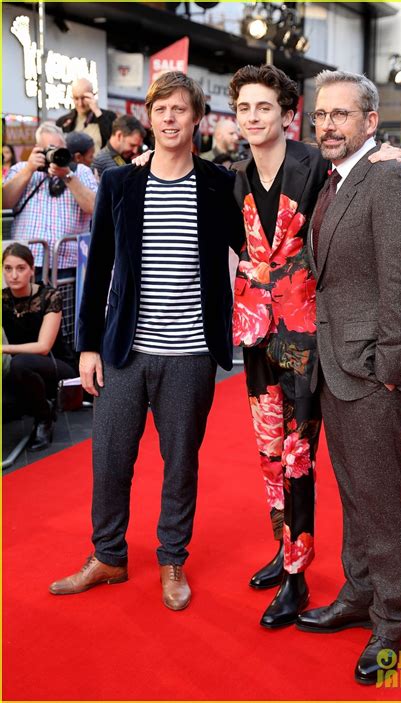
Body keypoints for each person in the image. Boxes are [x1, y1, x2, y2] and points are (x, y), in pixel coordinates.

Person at [48, 72, 245, 611]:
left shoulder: (217, 183)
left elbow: (253, 242)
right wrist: (87, 346)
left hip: (191, 353)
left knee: (180, 461)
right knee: (110, 457)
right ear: (150, 116)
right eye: (161, 108)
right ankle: (107, 555)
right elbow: (100, 269)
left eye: (181, 109)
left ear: (196, 118)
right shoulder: (121, 183)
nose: (170, 118)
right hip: (124, 353)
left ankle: (172, 559)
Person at [227, 64, 401, 630]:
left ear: (288, 114)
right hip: (260, 338)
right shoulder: (233, 176)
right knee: (268, 453)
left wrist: (397, 152)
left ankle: (300, 575)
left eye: (265, 108)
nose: (254, 118)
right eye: (244, 109)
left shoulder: (316, 166)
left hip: (310, 342)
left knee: (299, 458)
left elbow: (368, 169)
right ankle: (287, 550)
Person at [294, 70, 401, 685]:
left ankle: (391, 616)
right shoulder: (335, 179)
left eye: (341, 115)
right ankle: (358, 593)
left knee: (379, 498)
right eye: (321, 115)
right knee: (353, 492)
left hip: (374, 372)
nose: (327, 125)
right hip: (336, 363)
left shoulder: (391, 179)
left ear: (370, 122)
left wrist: (390, 371)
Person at [2, 243, 78, 451]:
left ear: (32, 270)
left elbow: (44, 347)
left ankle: (44, 418)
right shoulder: (2, 299)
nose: (14, 275)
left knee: (19, 364)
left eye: (20, 268)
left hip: (58, 366)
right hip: (22, 369)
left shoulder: (49, 296)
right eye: (8, 268)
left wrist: (3, 349)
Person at [2, 122, 98, 279]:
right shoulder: (21, 169)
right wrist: (29, 169)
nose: (54, 154)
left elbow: (94, 207)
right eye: (49, 149)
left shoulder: (81, 172)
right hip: (25, 262)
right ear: (37, 148)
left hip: (68, 263)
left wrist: (67, 176)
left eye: (59, 149)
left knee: (65, 304)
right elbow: (4, 201)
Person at [56, 78, 116, 154]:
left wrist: (97, 112)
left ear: (93, 95)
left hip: (100, 164)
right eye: (76, 98)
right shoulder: (63, 121)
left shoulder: (109, 116)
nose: (80, 104)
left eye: (84, 98)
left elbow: (113, 141)